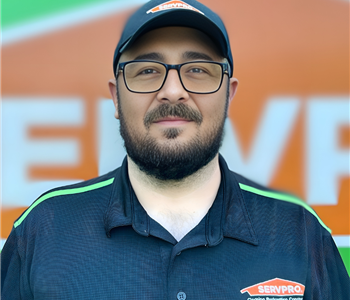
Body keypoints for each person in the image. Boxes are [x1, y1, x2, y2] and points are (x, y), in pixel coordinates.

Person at [1, 0, 349, 299]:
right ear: (115, 97)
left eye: (197, 70)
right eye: (148, 70)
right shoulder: (44, 230)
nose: (172, 91)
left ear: (229, 93)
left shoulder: (300, 234)